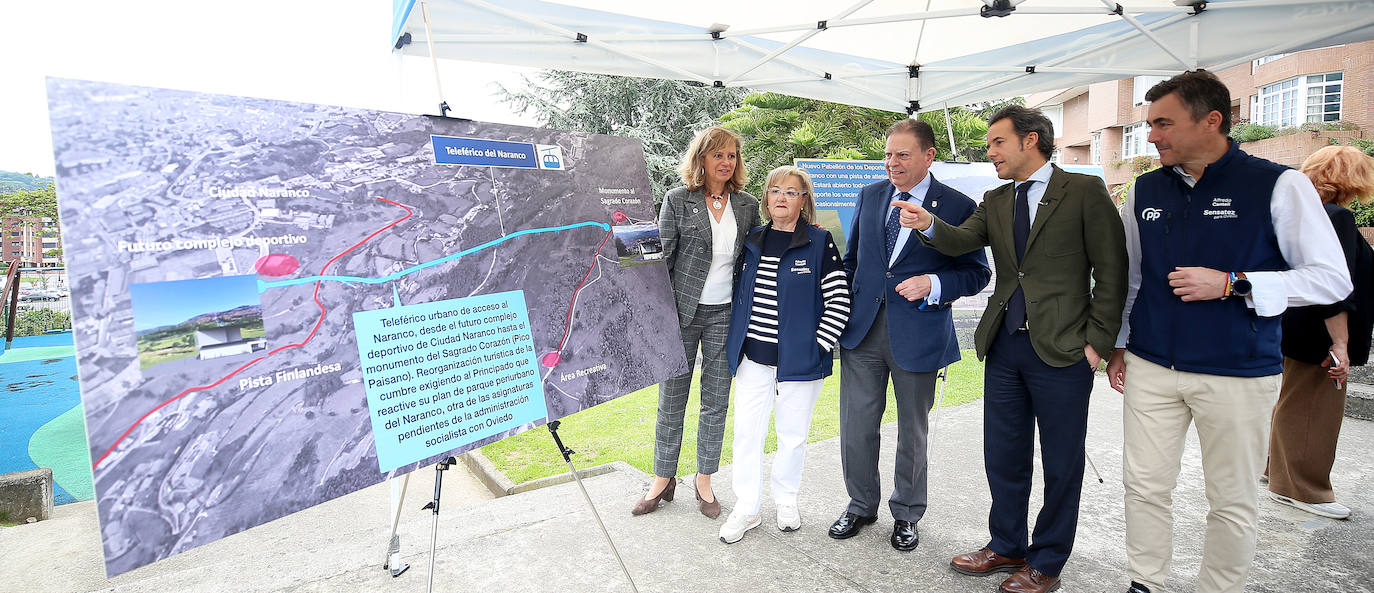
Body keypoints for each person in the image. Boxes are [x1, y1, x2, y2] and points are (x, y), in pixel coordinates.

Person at [1104, 71, 1352, 593]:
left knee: (1231, 496)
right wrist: (1120, 344)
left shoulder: (1278, 184)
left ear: (1211, 120)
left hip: (1237, 371)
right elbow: (1134, 274)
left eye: (1164, 123)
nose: (1152, 136)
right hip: (1151, 365)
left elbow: (1331, 279)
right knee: (1144, 486)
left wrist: (1235, 283)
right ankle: (1144, 582)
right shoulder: (1147, 187)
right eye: (1149, 124)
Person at [895, 105, 1127, 593]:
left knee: (1061, 461)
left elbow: (1112, 273)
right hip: (1005, 346)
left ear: (1031, 141)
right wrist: (926, 223)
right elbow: (960, 241)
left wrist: (1098, 344)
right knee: (1003, 454)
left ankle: (1046, 562)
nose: (990, 150)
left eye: (998, 141)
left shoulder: (1083, 191)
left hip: (1064, 351)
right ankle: (1006, 545)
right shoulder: (996, 198)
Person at [828, 119, 990, 552]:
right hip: (861, 333)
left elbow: (977, 272)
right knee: (856, 426)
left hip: (919, 332)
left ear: (928, 156)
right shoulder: (871, 194)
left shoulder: (957, 206)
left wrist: (932, 285)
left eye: (902, 154)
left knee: (911, 431)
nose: (891, 163)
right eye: (887, 154)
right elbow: (855, 260)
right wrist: (841, 308)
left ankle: (907, 514)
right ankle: (861, 505)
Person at [717, 165, 850, 543]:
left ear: (804, 200)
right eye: (775, 190)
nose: (781, 198)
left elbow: (839, 298)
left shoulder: (820, 241)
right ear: (766, 198)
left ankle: (787, 500)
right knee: (747, 434)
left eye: (791, 192)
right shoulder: (753, 239)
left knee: (792, 435)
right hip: (752, 358)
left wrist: (818, 345)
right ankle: (747, 507)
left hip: (800, 361)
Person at [634, 126, 762, 518]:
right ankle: (663, 477)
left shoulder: (746, 204)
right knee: (671, 399)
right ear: (701, 159)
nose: (726, 162)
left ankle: (704, 479)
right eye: (718, 155)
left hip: (726, 313)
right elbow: (660, 261)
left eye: (732, 156)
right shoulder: (677, 200)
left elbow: (756, 253)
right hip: (680, 314)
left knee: (715, 400)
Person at [1266, 146, 1374, 520]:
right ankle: (1303, 488)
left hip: (1291, 324)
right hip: (1321, 330)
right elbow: (1333, 287)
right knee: (1316, 408)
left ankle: (1275, 472)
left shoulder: (1297, 214)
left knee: (1291, 402)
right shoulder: (1336, 217)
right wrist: (1340, 343)